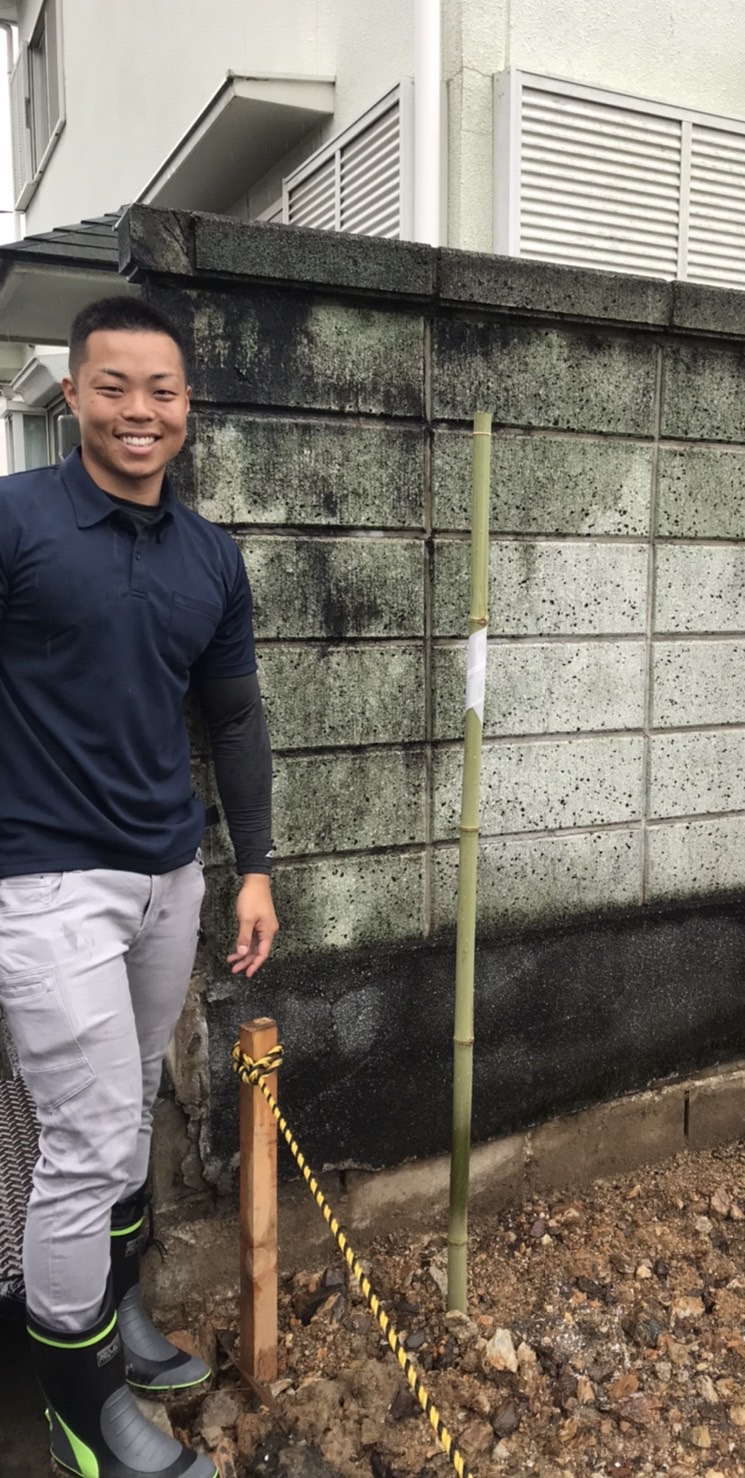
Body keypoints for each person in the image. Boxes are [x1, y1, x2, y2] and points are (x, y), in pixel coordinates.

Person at [0, 295, 278, 1478]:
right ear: (73, 396)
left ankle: (116, 1321)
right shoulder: (16, 521)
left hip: (170, 872)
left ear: (186, 408)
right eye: (114, 387)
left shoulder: (208, 555)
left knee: (129, 1128)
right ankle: (84, 1403)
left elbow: (234, 718)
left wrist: (252, 868)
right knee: (90, 1130)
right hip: (41, 875)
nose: (139, 411)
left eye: (160, 391)